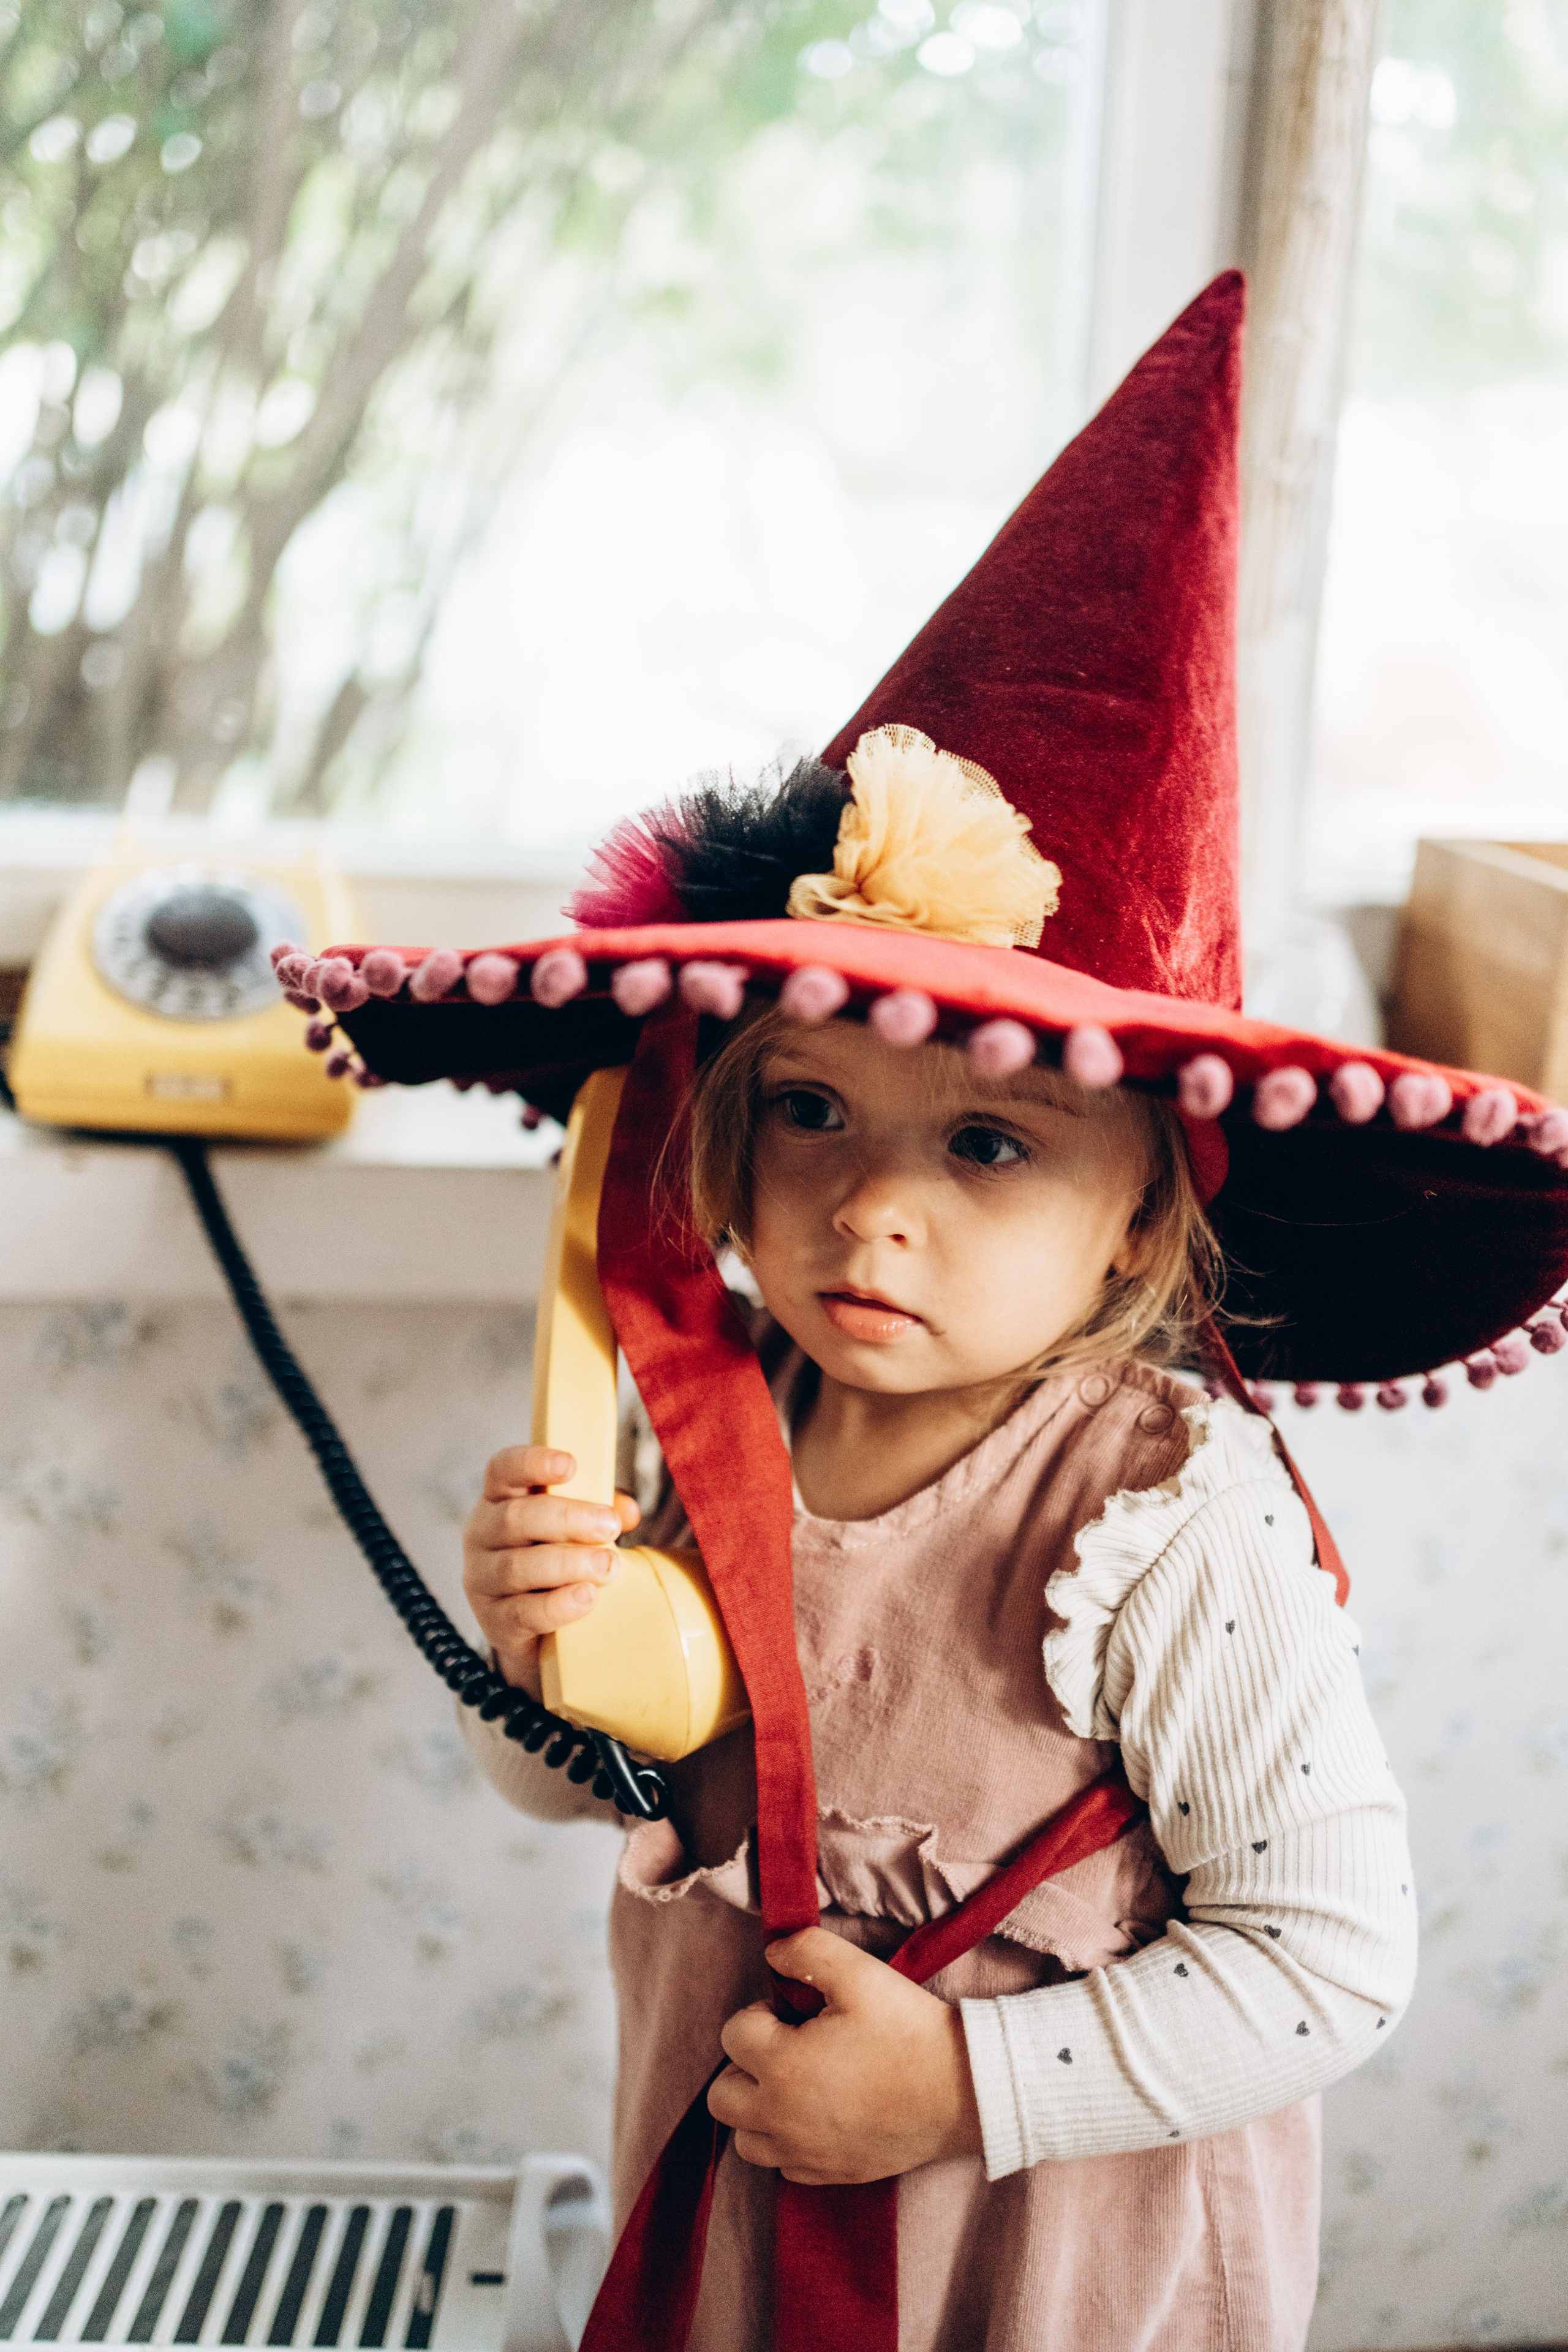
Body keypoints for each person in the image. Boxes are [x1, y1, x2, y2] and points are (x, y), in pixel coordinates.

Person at [298, 274, 1568, 2350]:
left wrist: (964, 2084)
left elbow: (1331, 1961)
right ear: (707, 1126)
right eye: (809, 1108)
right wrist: (530, 1656)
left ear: (1146, 1221)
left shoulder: (1168, 1526)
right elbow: (622, 1773)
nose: (871, 1202)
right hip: (742, 2194)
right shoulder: (704, 1411)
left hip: (1038, 2255)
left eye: (988, 1146)